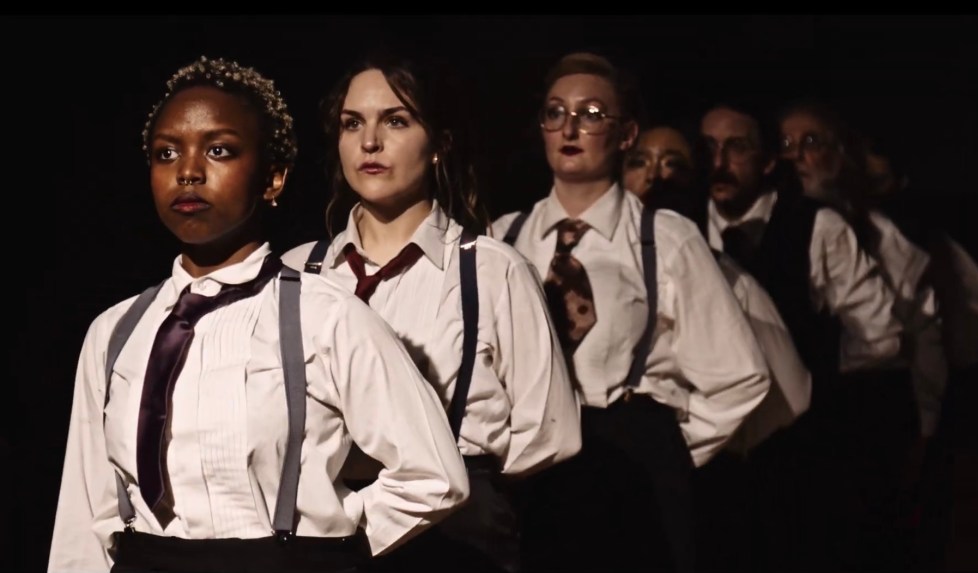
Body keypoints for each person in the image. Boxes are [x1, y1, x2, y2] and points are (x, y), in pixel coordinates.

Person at [48, 56, 470, 573]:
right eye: (166, 153)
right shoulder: (115, 331)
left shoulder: (327, 316)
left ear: (272, 179)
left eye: (219, 150)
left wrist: (335, 544)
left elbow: (434, 476)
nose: (188, 171)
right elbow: (85, 516)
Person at [281, 53, 581, 573]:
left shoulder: (492, 270)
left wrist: (472, 486)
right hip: (319, 528)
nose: (369, 142)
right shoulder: (298, 271)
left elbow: (550, 433)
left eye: (395, 121)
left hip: (454, 534)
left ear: (439, 143)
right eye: (352, 123)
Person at [492, 51, 770, 573]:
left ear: (626, 135)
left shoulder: (663, 237)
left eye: (591, 114)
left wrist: (665, 453)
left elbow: (741, 377)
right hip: (530, 472)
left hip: (631, 468)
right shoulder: (503, 237)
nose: (569, 128)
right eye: (555, 112)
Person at [698, 100, 906, 571]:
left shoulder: (816, 226)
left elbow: (880, 335)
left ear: (768, 160)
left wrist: (816, 375)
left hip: (802, 453)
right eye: (709, 148)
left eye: (736, 148)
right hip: (713, 457)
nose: (719, 162)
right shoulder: (682, 228)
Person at [624, 123, 811, 572]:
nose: (654, 175)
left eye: (673, 164)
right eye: (639, 161)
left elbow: (789, 392)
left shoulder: (717, 271)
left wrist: (674, 447)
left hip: (705, 484)